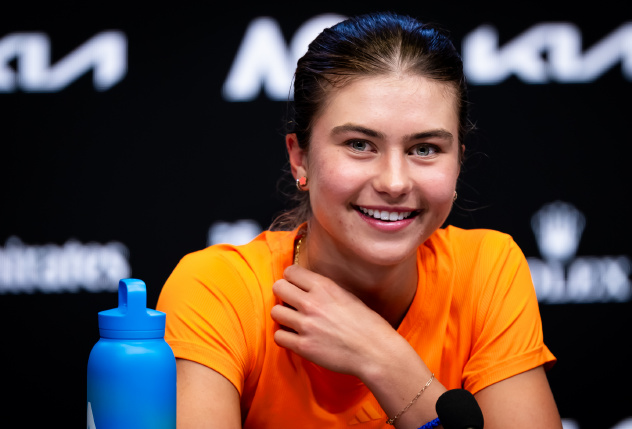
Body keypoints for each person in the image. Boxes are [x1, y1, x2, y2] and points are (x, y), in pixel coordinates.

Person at [156, 11, 561, 429]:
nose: (394, 182)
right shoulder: (219, 289)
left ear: (458, 161)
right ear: (300, 158)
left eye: (424, 149)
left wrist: (383, 359)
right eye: (360, 144)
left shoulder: (487, 268)